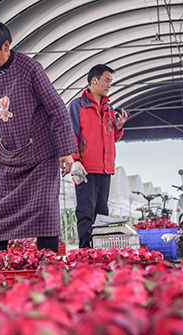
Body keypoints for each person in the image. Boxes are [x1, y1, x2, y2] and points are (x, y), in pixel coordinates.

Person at [0, 21, 76, 253]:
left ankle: (47, 266)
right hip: (8, 157)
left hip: (41, 154)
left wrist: (65, 151)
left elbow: (57, 109)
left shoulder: (30, 69)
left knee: (45, 213)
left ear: (6, 46)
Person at [67, 64, 128, 248]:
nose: (109, 85)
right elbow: (71, 135)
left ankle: (101, 251)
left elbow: (111, 138)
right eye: (107, 80)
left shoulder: (108, 109)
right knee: (86, 212)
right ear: (94, 81)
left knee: (102, 213)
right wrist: (75, 160)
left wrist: (119, 127)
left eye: (110, 81)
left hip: (105, 169)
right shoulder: (78, 106)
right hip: (85, 169)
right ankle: (85, 251)